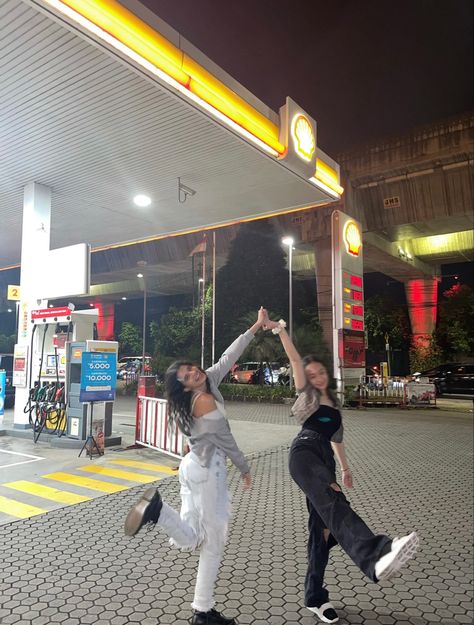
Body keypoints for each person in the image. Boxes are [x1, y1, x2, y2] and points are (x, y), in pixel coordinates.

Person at [264, 315, 419, 625]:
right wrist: (280, 330)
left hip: (324, 461)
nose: (316, 376)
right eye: (311, 374)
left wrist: (345, 471)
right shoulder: (307, 396)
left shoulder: (333, 405)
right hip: (304, 453)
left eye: (320, 372)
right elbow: (294, 358)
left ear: (327, 374)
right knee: (335, 507)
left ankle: (314, 596)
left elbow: (337, 441)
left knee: (321, 533)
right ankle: (376, 554)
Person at [124, 307, 267, 625]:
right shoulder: (202, 400)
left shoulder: (207, 384)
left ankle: (202, 608)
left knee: (191, 537)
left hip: (191, 467)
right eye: (187, 377)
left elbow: (229, 356)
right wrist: (243, 467)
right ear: (185, 387)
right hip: (208, 471)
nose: (195, 374)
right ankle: (202, 610)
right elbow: (225, 438)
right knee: (211, 543)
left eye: (192, 369)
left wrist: (256, 326)